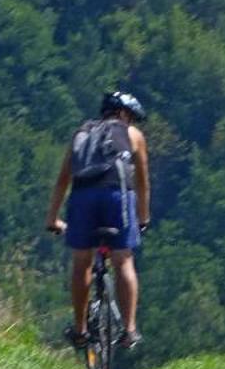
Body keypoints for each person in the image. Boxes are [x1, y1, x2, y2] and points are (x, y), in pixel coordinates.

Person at [46, 89, 151, 350]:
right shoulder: (133, 135)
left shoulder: (81, 134)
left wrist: (53, 218)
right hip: (117, 197)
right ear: (125, 114)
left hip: (82, 198)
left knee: (82, 261)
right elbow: (142, 182)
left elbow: (62, 180)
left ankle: (80, 330)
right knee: (123, 259)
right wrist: (143, 217)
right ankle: (129, 330)